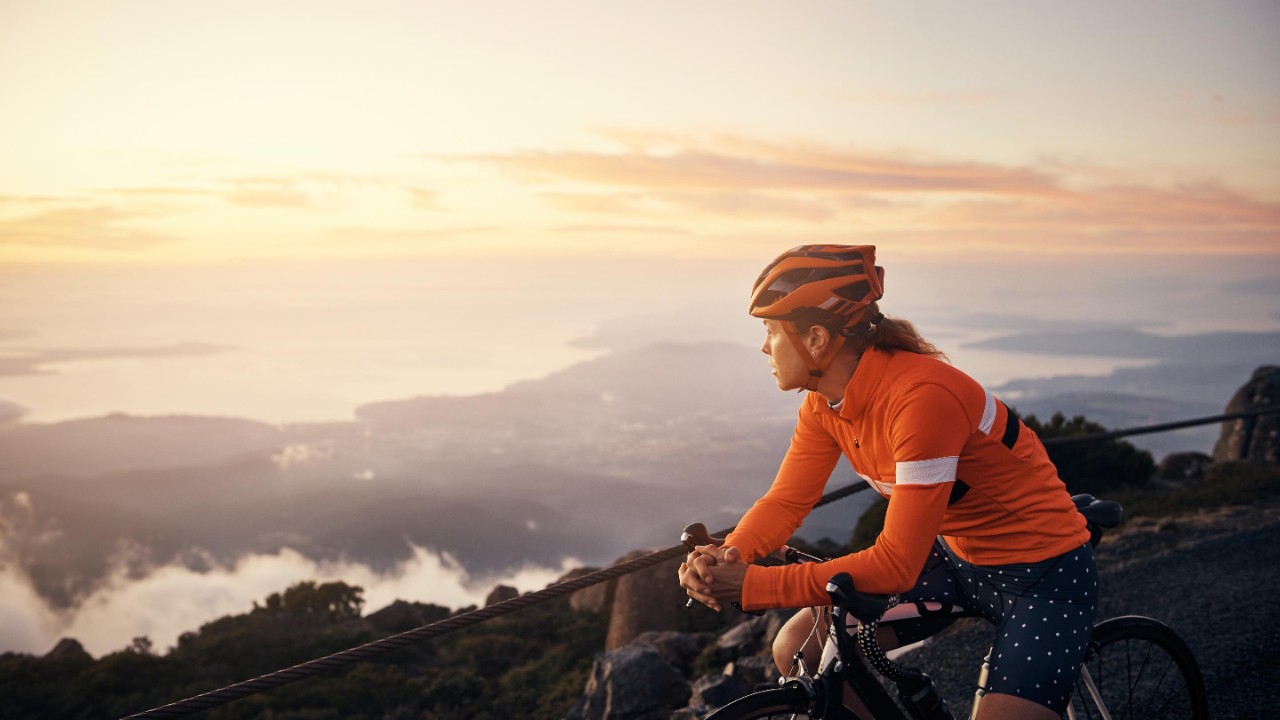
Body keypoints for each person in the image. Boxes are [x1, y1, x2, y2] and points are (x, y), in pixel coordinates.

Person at [678, 245, 1097, 720]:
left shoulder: (922, 400)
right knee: (799, 647)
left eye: (771, 331)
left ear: (816, 338)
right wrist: (732, 554)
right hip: (956, 558)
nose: (763, 346)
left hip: (1042, 573)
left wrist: (752, 585)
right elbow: (786, 501)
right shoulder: (824, 403)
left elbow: (896, 565)